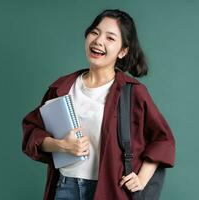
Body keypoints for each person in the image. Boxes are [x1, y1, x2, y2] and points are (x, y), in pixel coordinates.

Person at [22, 9, 175, 200]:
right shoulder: (62, 87)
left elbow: (163, 140)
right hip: (64, 187)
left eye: (110, 38)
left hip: (110, 191)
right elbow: (32, 132)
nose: (98, 41)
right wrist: (61, 145)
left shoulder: (132, 91)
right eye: (95, 32)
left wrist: (142, 178)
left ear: (123, 51)